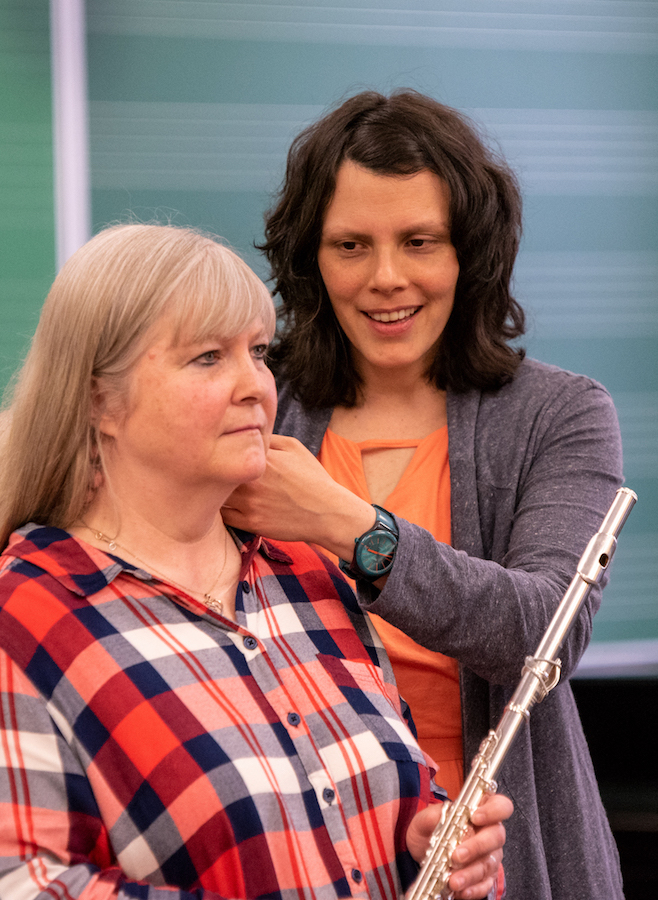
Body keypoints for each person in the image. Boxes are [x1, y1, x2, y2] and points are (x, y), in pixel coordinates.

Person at [0, 223, 511, 900]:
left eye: (259, 352)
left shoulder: (307, 571)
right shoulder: (27, 615)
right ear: (100, 401)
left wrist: (423, 846)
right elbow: (26, 882)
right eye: (208, 357)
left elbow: (404, 799)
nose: (257, 388)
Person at [221, 91, 626, 900]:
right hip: (302, 859)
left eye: (419, 241)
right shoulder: (257, 404)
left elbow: (540, 634)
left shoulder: (563, 413)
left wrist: (346, 524)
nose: (386, 278)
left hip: (505, 863)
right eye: (350, 245)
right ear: (312, 257)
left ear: (468, 253)